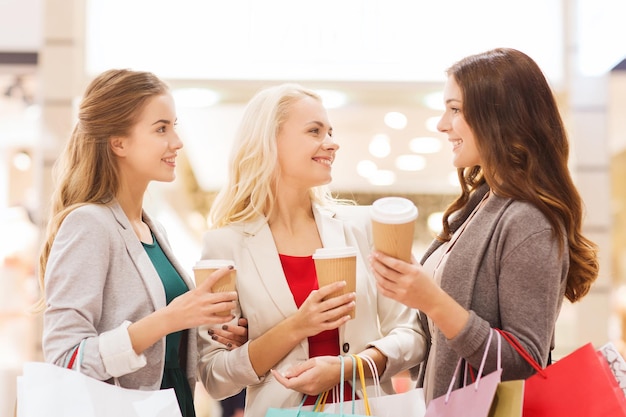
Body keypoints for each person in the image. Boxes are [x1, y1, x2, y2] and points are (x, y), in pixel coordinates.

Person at [369, 47, 599, 403]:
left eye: (455, 109)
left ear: (499, 117)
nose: (441, 124)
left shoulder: (527, 219)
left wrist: (433, 301)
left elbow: (524, 361)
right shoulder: (481, 202)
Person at [197, 83, 426, 417]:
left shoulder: (364, 228)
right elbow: (214, 376)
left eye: (330, 131)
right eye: (315, 131)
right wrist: (297, 326)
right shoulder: (225, 244)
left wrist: (349, 367)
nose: (332, 144)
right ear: (270, 142)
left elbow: (413, 333)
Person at [36, 69, 240, 417]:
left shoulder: (151, 228)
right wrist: (167, 319)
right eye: (161, 128)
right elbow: (64, 359)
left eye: (174, 126)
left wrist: (210, 331)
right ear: (119, 142)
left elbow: (166, 347)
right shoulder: (89, 224)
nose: (177, 141)